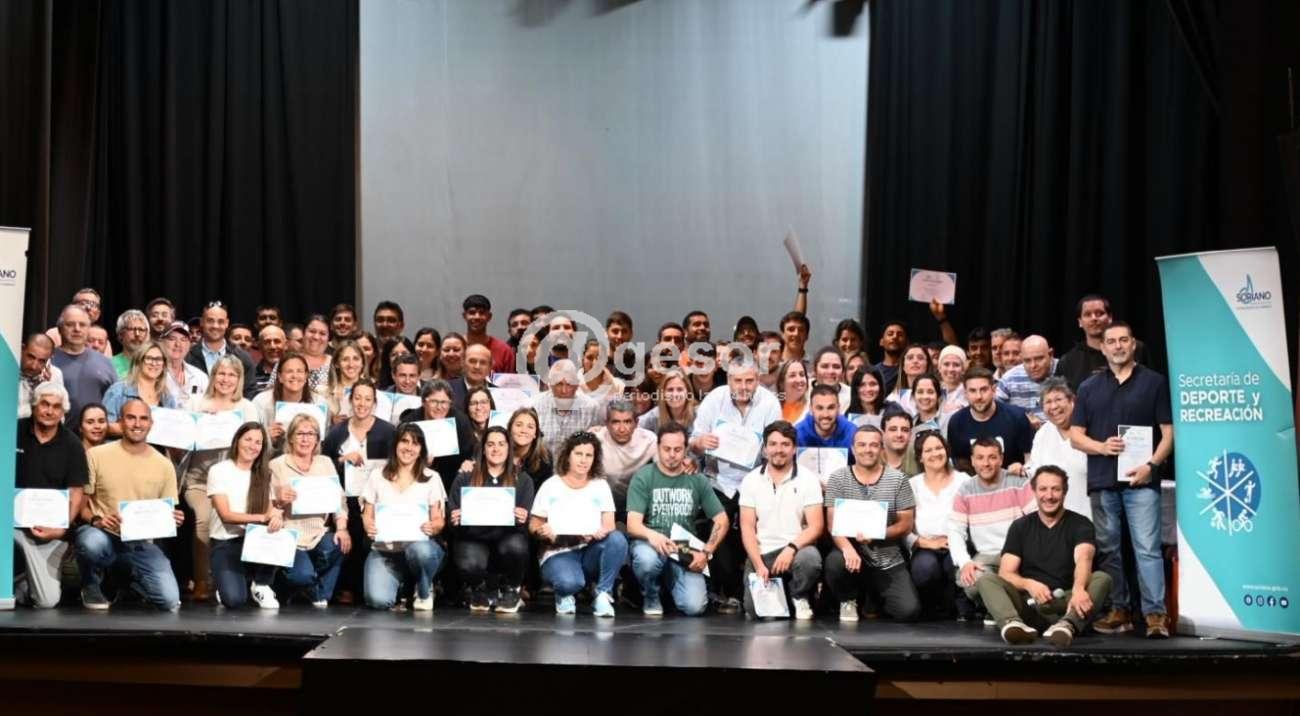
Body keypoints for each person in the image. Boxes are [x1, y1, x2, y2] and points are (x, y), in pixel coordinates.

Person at [1070, 321, 1173, 638]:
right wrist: (1101, 447)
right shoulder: (1088, 388)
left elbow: (1169, 433)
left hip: (1142, 481)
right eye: (1111, 341)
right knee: (1109, 550)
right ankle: (1120, 609)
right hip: (1103, 482)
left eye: (1123, 340)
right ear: (1103, 348)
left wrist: (1151, 465)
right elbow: (1075, 436)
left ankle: (1155, 614)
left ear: (1133, 344)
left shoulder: (1154, 382)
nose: (1117, 346)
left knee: (1147, 549)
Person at [976, 466, 1111, 647]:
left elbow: (1083, 558)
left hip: (1067, 604)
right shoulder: (1020, 526)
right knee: (986, 579)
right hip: (1030, 607)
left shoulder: (1081, 524)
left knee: (1102, 578)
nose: (1049, 495)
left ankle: (1067, 626)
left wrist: (1079, 589)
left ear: (1064, 492)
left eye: (1056, 489)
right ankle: (1013, 624)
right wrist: (1029, 584)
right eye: (1043, 489)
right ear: (1034, 491)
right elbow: (1006, 573)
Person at [75, 398, 186, 610]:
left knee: (169, 600)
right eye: (131, 418)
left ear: (151, 423)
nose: (137, 424)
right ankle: (90, 583)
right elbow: (82, 505)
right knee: (90, 543)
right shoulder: (96, 455)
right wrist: (97, 520)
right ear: (120, 422)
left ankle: (125, 579)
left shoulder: (164, 465)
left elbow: (166, 512)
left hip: (140, 543)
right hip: (104, 535)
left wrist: (174, 519)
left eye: (143, 418)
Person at [626, 423, 729, 616]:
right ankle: (651, 594)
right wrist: (653, 535)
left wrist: (706, 552)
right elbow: (632, 525)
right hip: (651, 542)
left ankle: (669, 584)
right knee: (646, 561)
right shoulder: (644, 476)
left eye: (677, 449)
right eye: (666, 449)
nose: (672, 454)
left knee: (694, 607)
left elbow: (722, 519)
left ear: (686, 450)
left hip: (683, 546)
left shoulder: (697, 479)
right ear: (658, 447)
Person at [181, 356, 260, 603]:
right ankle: (202, 579)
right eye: (221, 374)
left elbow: (256, 443)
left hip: (234, 482)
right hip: (199, 479)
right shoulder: (195, 403)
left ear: (239, 379)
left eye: (232, 375)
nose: (226, 379)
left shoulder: (246, 407)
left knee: (234, 522)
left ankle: (235, 578)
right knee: (204, 521)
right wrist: (200, 422)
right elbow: (180, 440)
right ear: (213, 376)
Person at [823, 425, 920, 622]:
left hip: (887, 557)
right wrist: (847, 549)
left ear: (882, 448)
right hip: (851, 553)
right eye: (862, 445)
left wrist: (877, 533)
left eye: (874, 445)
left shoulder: (898, 479)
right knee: (835, 562)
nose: (868, 450)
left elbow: (906, 524)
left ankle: (874, 597)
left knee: (909, 611)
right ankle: (848, 599)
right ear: (853, 449)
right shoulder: (838, 478)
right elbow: (832, 525)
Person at [529, 431, 628, 617]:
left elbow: (610, 524)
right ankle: (564, 593)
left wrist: (602, 531)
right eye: (578, 454)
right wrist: (542, 531)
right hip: (559, 551)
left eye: (589, 455)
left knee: (617, 539)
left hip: (590, 548)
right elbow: (534, 524)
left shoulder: (600, 485)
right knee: (570, 583)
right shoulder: (551, 485)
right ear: (568, 456)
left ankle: (603, 594)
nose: (583, 460)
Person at [738, 421, 824, 619]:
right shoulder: (751, 480)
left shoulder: (808, 479)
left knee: (810, 559)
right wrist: (758, 565)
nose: (779, 449)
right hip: (763, 553)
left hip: (796, 551)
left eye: (785, 444)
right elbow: (747, 527)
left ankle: (798, 595)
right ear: (765, 448)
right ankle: (782, 596)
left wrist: (790, 548)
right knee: (755, 612)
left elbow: (816, 526)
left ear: (794, 449)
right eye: (773, 444)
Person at [319, 379, 393, 605]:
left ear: (375, 403)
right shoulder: (337, 432)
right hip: (346, 498)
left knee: (370, 540)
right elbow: (323, 465)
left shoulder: (387, 431)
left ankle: (371, 587)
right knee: (348, 541)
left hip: (378, 500)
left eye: (367, 399)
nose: (362, 403)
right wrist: (342, 460)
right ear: (350, 401)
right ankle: (348, 587)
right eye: (358, 398)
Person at [448, 426, 536, 612]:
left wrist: (523, 518)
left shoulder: (523, 480)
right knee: (470, 563)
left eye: (501, 444)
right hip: (473, 538)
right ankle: (478, 587)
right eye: (490, 444)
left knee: (516, 546)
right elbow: (452, 518)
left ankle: (512, 588)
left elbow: (526, 524)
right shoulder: (465, 477)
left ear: (509, 448)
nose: (496, 449)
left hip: (507, 538)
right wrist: (455, 519)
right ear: (483, 449)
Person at [15, 383, 87, 608]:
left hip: (50, 532)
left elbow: (76, 492)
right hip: (11, 525)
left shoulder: (73, 445)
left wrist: (61, 529)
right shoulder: (13, 431)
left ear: (63, 411)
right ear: (34, 405)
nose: (49, 411)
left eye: (56, 407)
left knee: (47, 601)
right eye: (44, 404)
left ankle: (22, 583)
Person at [360, 423, 447, 610]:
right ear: (395, 444)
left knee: (421, 551)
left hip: (419, 548)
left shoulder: (432, 478)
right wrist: (369, 526)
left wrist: (433, 526)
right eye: (404, 441)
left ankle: (424, 586)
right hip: (385, 551)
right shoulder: (377, 476)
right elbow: (367, 515)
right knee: (378, 600)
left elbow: (439, 520)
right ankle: (404, 586)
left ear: (421, 449)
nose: (409, 447)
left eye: (415, 443)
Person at [948, 438, 1036, 612]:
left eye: (992, 457)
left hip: (1019, 555)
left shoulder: (1018, 482)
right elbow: (955, 531)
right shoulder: (965, 490)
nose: (986, 463)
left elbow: (1036, 522)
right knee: (969, 579)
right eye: (980, 458)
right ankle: (1011, 607)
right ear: (972, 460)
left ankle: (1002, 610)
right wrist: (965, 562)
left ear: (1001, 459)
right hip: (986, 557)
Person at [273, 412, 352, 606]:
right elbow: (268, 505)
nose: (305, 439)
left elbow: (339, 500)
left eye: (311, 434)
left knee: (339, 543)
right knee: (302, 576)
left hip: (318, 534)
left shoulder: (325, 463)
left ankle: (312, 590)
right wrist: (280, 501)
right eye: (300, 433)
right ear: (291, 437)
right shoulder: (277, 465)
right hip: (290, 535)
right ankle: (308, 587)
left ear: (317, 439)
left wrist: (342, 528)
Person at [206, 422, 283, 608]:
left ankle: (261, 583)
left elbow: (270, 510)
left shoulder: (264, 473)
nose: (252, 446)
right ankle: (230, 583)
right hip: (226, 541)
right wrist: (262, 517)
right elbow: (226, 515)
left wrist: (275, 516)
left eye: (258, 442)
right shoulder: (219, 470)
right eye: (248, 439)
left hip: (253, 539)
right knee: (234, 600)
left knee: (281, 531)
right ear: (237, 441)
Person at [908, 431, 970, 619]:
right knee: (924, 569)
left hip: (958, 543)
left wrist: (957, 540)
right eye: (928, 450)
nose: (935, 453)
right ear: (920, 457)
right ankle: (934, 607)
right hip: (924, 545)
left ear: (946, 451)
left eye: (939, 448)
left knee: (954, 566)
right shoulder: (912, 484)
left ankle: (962, 607)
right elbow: (904, 527)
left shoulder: (964, 480)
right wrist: (927, 543)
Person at [946, 367, 1034, 475]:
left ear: (994, 390)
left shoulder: (1017, 417)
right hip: (973, 483)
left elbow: (1031, 460)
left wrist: (1023, 468)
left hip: (1013, 480)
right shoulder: (956, 423)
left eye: (984, 390)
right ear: (965, 393)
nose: (978, 396)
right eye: (972, 391)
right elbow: (956, 465)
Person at [1028, 379, 1091, 519]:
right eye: (1048, 402)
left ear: (1072, 400)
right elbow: (1034, 471)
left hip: (1090, 515)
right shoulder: (1042, 433)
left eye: (1058, 399)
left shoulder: (1090, 427)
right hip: (1053, 518)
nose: (1054, 406)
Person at [398, 380, 477, 489]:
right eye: (434, 401)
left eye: (444, 402)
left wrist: (469, 462)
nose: (439, 407)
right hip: (415, 479)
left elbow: (471, 452)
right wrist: (421, 463)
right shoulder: (409, 422)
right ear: (423, 402)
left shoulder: (460, 421)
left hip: (452, 479)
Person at [51, 304, 118, 419]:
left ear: (88, 329)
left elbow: (115, 401)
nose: (77, 329)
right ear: (60, 329)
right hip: (56, 429)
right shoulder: (48, 360)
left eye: (82, 325)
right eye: (70, 324)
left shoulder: (105, 362)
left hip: (96, 429)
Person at [593, 399, 657, 514]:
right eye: (616, 422)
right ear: (607, 424)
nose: (622, 429)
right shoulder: (595, 441)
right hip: (602, 504)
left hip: (638, 503)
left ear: (636, 423)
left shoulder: (649, 440)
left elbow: (666, 469)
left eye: (627, 422)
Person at [531, 359, 603, 458]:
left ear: (577, 385)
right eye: (559, 384)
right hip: (542, 465)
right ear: (550, 385)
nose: (564, 391)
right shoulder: (536, 406)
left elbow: (597, 445)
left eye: (569, 384)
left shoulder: (591, 408)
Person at [102, 342, 177, 436]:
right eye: (149, 358)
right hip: (123, 444)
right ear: (139, 361)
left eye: (158, 359)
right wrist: (134, 430)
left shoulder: (167, 398)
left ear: (164, 364)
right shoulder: (118, 391)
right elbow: (103, 425)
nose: (154, 363)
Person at [253, 352, 322, 452]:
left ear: (306, 376)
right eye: (289, 371)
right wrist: (266, 437)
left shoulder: (319, 402)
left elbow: (323, 440)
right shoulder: (261, 402)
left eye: (299, 371)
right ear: (280, 377)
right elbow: (250, 437)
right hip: (270, 456)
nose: (294, 376)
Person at [185, 301, 256, 395]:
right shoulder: (187, 356)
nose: (215, 326)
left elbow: (249, 393)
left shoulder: (242, 358)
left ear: (227, 323)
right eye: (210, 321)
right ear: (201, 322)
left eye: (220, 321)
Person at [995, 335, 1056, 427]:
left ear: (1050, 354)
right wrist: (1021, 421)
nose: (1033, 365)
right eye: (1027, 360)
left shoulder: (1065, 370)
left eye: (1038, 358)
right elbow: (995, 415)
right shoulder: (1009, 379)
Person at [1057, 294, 1112, 390]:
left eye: (1099, 313)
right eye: (1087, 314)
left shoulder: (1131, 350)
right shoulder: (1067, 361)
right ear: (1080, 322)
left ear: (1110, 318)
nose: (1094, 318)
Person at [795, 384, 856, 457]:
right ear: (811, 409)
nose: (825, 414)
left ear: (838, 408)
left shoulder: (852, 433)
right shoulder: (798, 434)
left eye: (831, 408)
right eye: (819, 408)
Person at [462, 294, 517, 374]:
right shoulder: (454, 349)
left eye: (481, 313)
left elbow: (510, 381)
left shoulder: (504, 351)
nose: (477, 317)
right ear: (464, 316)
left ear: (489, 316)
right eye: (472, 312)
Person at [637, 370, 697, 437]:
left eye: (680, 389)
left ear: (688, 392)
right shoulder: (654, 416)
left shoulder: (698, 414)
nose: (675, 394)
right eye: (670, 390)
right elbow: (634, 427)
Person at [161, 321, 209, 405]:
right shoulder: (154, 373)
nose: (177, 344)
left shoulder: (200, 377)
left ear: (189, 345)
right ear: (162, 342)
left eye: (183, 340)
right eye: (172, 339)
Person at [18, 334, 62, 420]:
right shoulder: (8, 369)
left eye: (42, 361)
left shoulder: (55, 375)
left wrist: (46, 387)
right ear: (22, 349)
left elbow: (59, 417)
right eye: (31, 357)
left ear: (49, 359)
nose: (34, 366)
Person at [323, 340, 367, 421]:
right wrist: (331, 420)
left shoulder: (373, 392)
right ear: (336, 363)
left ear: (362, 363)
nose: (351, 364)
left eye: (356, 359)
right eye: (345, 359)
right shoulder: (324, 393)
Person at [885, 344, 933, 415]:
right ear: (903, 366)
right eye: (910, 358)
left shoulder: (940, 394)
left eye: (920, 358)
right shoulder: (893, 399)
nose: (915, 361)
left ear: (927, 365)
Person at [451, 343, 497, 411]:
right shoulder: (447, 389)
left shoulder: (499, 394)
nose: (477, 367)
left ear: (490, 367)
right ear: (463, 363)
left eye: (483, 362)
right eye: (472, 361)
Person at [293, 315, 333, 391]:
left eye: (322, 333)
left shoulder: (336, 364)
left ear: (328, 338)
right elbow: (271, 392)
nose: (316, 337)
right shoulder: (287, 361)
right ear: (303, 333)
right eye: (312, 331)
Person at [249, 324, 287, 398]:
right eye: (267, 342)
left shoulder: (295, 373)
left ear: (286, 345)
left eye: (277, 341)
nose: (272, 346)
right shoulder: (250, 374)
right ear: (259, 346)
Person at [110, 310, 151, 378]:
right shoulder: (110, 364)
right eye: (131, 329)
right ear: (120, 334)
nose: (137, 334)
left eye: (141, 329)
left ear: (148, 335)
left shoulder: (155, 364)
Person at [811, 346, 852, 413]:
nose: (831, 371)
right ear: (815, 370)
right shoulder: (804, 391)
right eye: (825, 366)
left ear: (843, 372)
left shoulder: (851, 396)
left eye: (836, 367)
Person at [881, 408, 920, 477]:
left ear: (910, 435)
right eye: (893, 429)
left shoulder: (921, 460)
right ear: (883, 434)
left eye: (905, 430)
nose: (899, 435)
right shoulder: (872, 460)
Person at [873, 321, 908, 390]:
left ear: (907, 343)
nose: (895, 337)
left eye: (900, 335)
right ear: (881, 342)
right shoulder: (874, 372)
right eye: (890, 334)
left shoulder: (911, 369)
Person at [937, 345, 969, 417]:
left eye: (956, 365)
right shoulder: (933, 390)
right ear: (939, 367)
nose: (951, 369)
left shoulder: (968, 393)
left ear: (963, 369)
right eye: (946, 364)